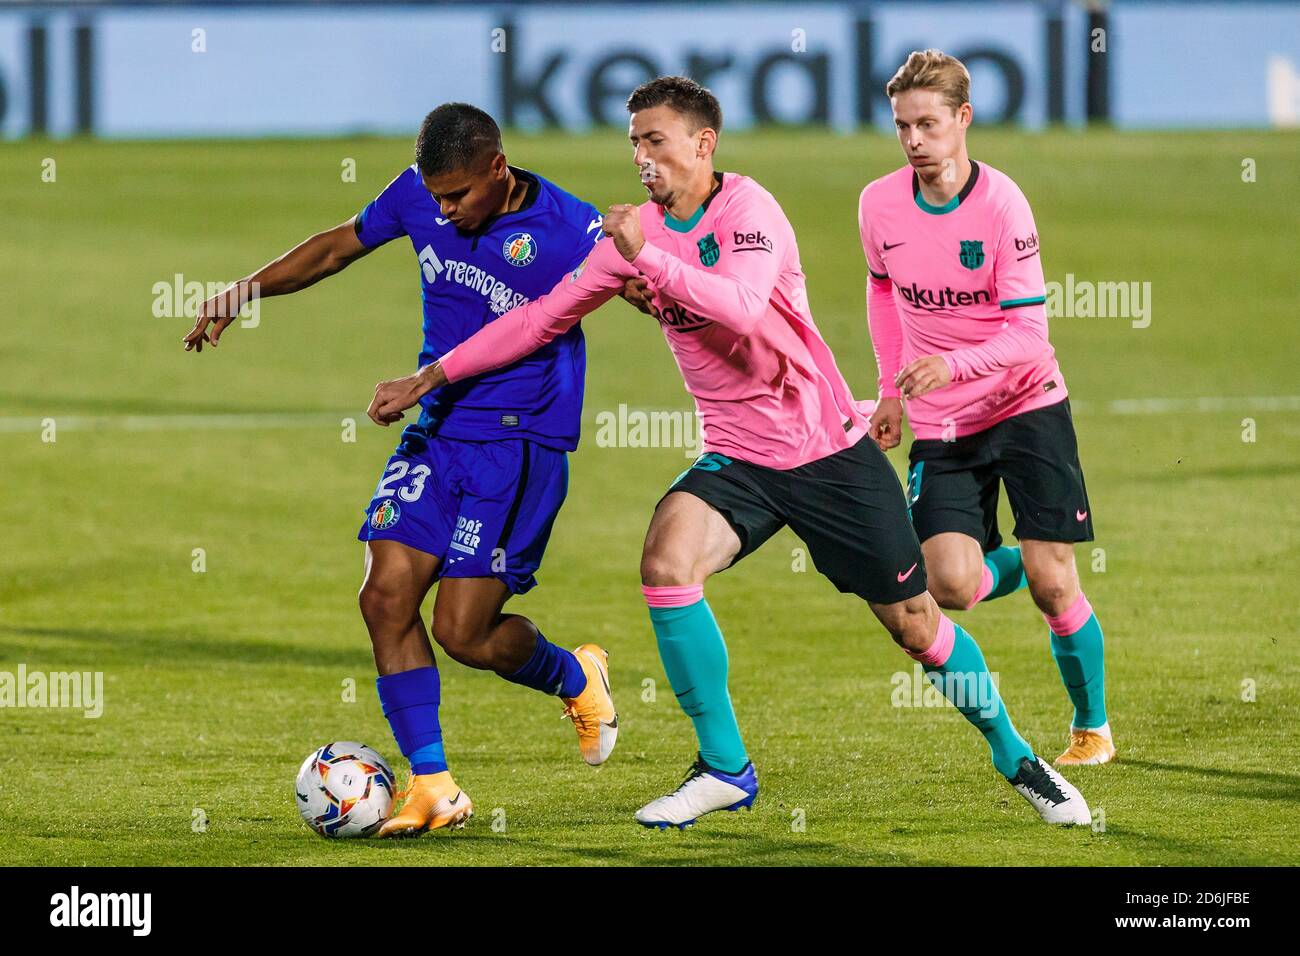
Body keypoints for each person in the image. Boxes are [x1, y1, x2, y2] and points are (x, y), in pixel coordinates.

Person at [368, 77, 1093, 828]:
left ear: (701, 144)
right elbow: (538, 320)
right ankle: (725, 768)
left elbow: (741, 308)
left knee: (916, 624)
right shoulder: (634, 236)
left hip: (824, 452)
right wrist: (431, 375)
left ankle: (1017, 758)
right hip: (738, 457)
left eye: (655, 141)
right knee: (666, 564)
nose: (641, 157)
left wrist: (648, 256)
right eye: (634, 144)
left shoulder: (747, 210)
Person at [183, 103, 620, 837]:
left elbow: (646, 286)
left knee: (464, 633)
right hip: (438, 427)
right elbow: (336, 247)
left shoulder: (569, 231)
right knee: (385, 596)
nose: (443, 212)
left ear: (497, 168)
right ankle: (434, 784)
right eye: (434, 197)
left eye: (458, 197)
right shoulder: (420, 193)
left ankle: (577, 677)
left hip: (519, 443)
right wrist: (244, 290)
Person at [860, 50, 1112, 766]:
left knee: (1055, 582)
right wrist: (888, 389)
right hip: (944, 421)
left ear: (963, 119)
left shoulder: (1003, 205)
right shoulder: (878, 204)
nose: (913, 140)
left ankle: (1091, 726)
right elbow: (882, 291)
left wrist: (953, 363)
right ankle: (1025, 560)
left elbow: (1032, 333)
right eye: (903, 125)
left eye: (928, 124)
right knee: (952, 585)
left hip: (1027, 403)